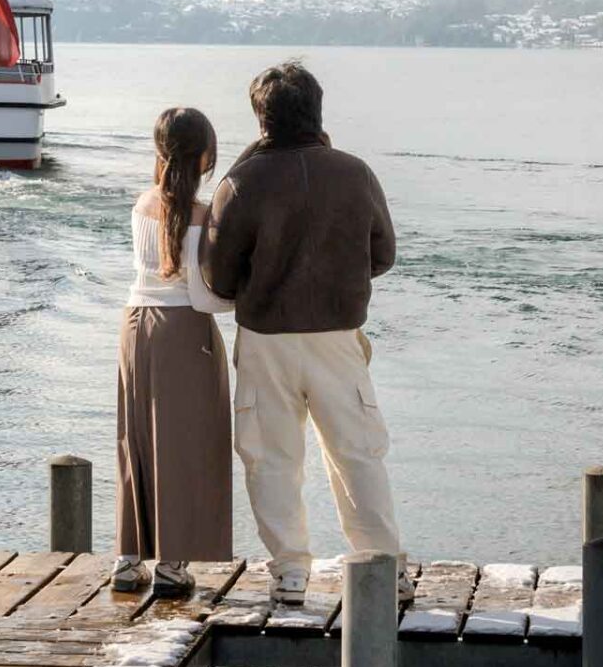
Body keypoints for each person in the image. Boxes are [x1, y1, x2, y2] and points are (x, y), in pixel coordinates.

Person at [202, 62, 410, 606]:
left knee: (270, 457)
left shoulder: (241, 182)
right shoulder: (355, 172)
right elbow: (383, 255)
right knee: (357, 452)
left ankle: (291, 571)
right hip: (338, 336)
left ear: (260, 119)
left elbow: (216, 277)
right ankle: (381, 565)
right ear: (318, 110)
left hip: (266, 336)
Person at [115, 107, 235, 597]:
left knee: (136, 440)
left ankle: (127, 561)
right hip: (183, 331)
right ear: (205, 155)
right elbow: (203, 297)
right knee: (186, 445)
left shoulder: (141, 204)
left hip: (133, 325)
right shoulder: (205, 216)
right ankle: (172, 565)